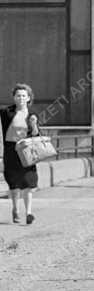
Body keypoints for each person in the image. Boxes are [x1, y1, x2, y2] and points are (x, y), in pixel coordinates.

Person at [2, 83, 41, 224]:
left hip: (26, 151)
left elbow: (36, 134)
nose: (21, 98)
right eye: (18, 95)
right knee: (13, 182)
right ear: (14, 97)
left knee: (28, 182)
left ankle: (29, 213)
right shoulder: (6, 112)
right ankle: (15, 208)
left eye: (24, 95)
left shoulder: (32, 114)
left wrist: (34, 124)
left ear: (29, 98)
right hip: (11, 150)